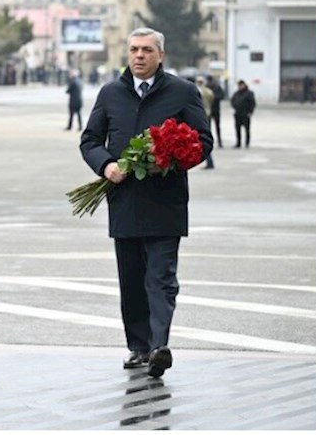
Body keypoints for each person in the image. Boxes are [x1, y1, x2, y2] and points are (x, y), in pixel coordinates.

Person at [80, 28, 212, 378]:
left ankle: (159, 346)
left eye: (147, 50)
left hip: (166, 200)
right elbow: (90, 140)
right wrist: (106, 164)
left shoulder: (183, 92)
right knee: (132, 278)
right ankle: (138, 347)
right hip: (124, 199)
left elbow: (203, 141)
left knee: (161, 277)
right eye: (134, 49)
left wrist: (169, 161)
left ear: (161, 55)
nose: (139, 55)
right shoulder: (110, 93)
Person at [195, 76, 215, 169]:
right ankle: (209, 161)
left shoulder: (196, 90)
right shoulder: (209, 91)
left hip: (200, 116)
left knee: (202, 139)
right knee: (206, 137)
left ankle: (209, 161)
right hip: (208, 114)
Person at [231, 79, 256, 148]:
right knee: (237, 129)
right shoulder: (236, 93)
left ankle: (247, 143)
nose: (240, 87)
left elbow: (252, 103)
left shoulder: (249, 93)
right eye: (239, 85)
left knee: (247, 129)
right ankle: (238, 143)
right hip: (237, 114)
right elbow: (232, 101)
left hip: (245, 114)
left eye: (241, 85)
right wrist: (235, 106)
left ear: (244, 85)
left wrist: (250, 112)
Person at [206, 76, 225, 147]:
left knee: (212, 127)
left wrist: (213, 97)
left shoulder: (213, 87)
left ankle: (218, 142)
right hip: (212, 109)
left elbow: (221, 96)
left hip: (212, 109)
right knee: (214, 127)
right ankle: (218, 142)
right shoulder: (211, 87)